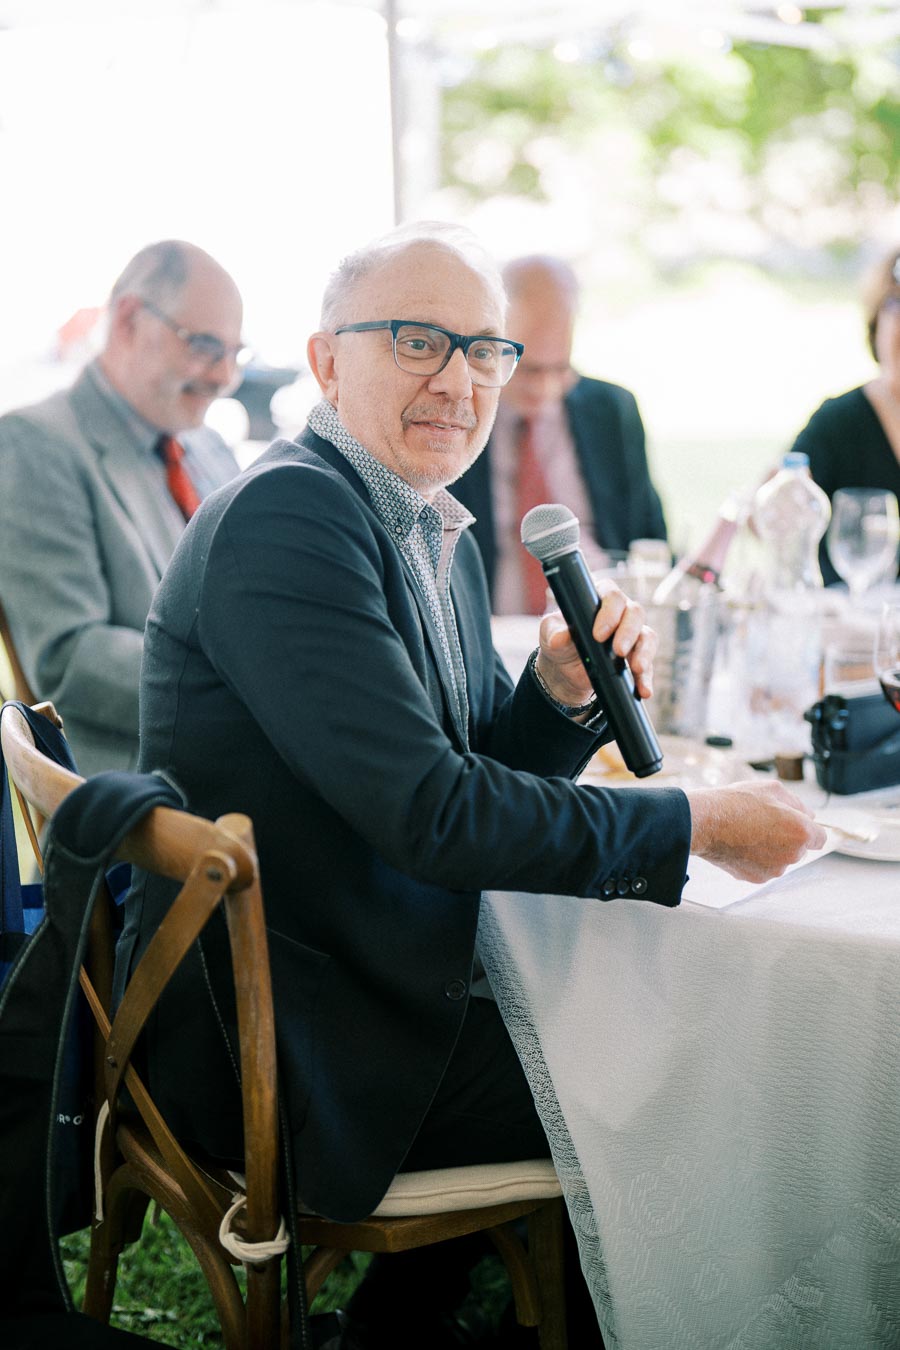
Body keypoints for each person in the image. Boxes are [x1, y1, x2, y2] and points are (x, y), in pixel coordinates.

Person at [114, 222, 824, 1348]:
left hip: (368, 968)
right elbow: (436, 820)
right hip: (301, 1046)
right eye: (417, 341)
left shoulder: (404, 509)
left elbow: (462, 781)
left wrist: (550, 693)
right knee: (712, 1063)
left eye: (486, 350)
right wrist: (696, 822)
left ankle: (415, 1321)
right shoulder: (290, 520)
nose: (461, 380)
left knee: (677, 1003)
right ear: (324, 360)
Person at [0, 240, 245, 773]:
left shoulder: (206, 445)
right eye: (205, 345)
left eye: (234, 353)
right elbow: (67, 656)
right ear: (130, 320)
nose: (225, 376)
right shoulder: (34, 444)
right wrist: (244, 686)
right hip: (146, 801)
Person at [452, 254, 668, 614]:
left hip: (602, 616)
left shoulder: (612, 410)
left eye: (560, 368)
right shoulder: (459, 410)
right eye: (530, 370)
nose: (546, 388)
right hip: (492, 627)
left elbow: (649, 538)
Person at [788, 243, 900, 584]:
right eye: (895, 304)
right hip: (851, 630)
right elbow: (770, 516)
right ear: (876, 323)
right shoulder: (838, 424)